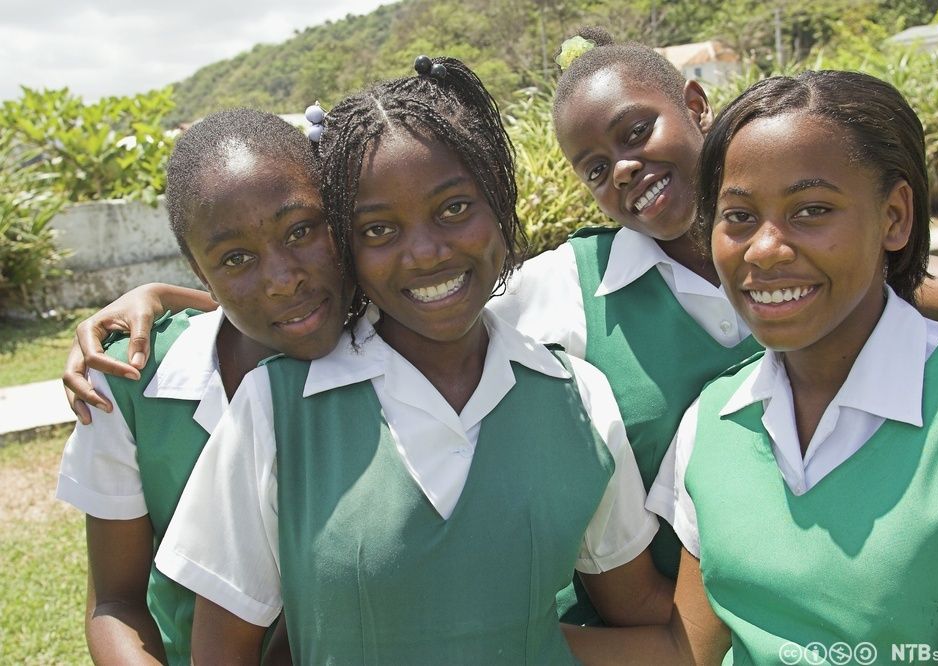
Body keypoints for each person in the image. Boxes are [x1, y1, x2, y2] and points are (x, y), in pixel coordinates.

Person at [153, 56, 671, 664]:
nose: (426, 253)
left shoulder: (578, 398)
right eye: (378, 230)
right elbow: (223, 651)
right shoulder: (277, 410)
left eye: (454, 209)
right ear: (345, 244)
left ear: (499, 202)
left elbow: (639, 610)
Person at [488, 26, 938, 623]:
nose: (623, 168)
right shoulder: (563, 289)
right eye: (595, 169)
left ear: (696, 106)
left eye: (636, 132)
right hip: (662, 626)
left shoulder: (811, 263)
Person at [637, 70, 938, 664]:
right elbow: (694, 649)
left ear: (894, 217)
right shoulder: (712, 420)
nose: (765, 248)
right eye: (739, 216)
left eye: (811, 210)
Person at [54, 108, 352, 664]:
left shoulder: (398, 351)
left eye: (303, 230)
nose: (283, 278)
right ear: (198, 269)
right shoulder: (131, 386)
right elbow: (115, 602)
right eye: (235, 259)